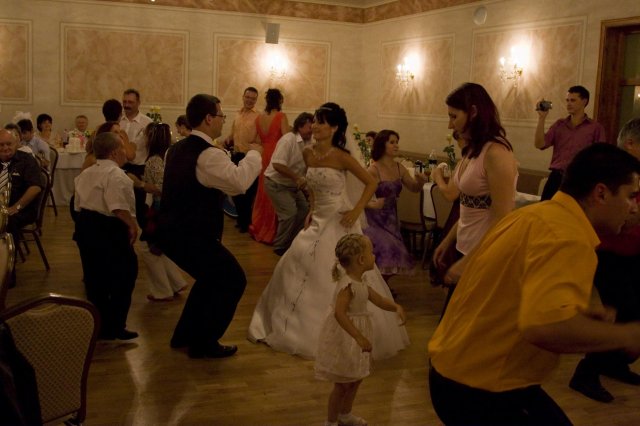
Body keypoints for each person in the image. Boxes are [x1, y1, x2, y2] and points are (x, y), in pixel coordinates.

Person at [428, 143, 640, 425]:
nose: (635, 207)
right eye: (631, 196)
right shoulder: (566, 236)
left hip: (455, 371)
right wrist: (628, 335)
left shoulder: (532, 215)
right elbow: (544, 328)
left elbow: (515, 293)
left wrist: (579, 314)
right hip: (480, 387)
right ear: (601, 193)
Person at [248, 102, 410, 360]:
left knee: (334, 271)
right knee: (297, 261)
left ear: (334, 128)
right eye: (314, 120)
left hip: (339, 220)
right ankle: (291, 325)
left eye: (321, 122)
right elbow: (312, 186)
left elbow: (370, 182)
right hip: (317, 219)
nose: (315, 126)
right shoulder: (308, 154)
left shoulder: (342, 157)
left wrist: (356, 210)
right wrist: (311, 209)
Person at [156, 93, 262, 359]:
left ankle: (184, 335)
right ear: (208, 118)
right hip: (190, 235)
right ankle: (204, 342)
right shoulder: (208, 155)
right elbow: (239, 183)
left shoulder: (176, 148)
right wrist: (254, 155)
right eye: (221, 115)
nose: (223, 120)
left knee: (210, 278)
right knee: (233, 279)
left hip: (171, 231)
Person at [569, 117, 640, 403]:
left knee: (632, 312)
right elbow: (623, 220)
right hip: (609, 253)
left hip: (634, 253)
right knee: (620, 314)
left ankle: (615, 365)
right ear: (631, 143)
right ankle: (586, 373)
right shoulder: (615, 173)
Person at [432, 82, 518, 300]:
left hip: (486, 254)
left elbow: (502, 218)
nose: (450, 125)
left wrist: (468, 263)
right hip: (466, 246)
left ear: (473, 112)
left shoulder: (496, 153)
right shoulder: (472, 150)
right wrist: (448, 241)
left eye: (454, 117)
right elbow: (469, 205)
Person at [315, 234, 406, 426]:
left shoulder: (361, 282)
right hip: (346, 338)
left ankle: (345, 414)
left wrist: (395, 307)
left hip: (356, 339)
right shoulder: (347, 286)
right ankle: (330, 421)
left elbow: (378, 299)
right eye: (371, 253)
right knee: (342, 384)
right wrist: (358, 336)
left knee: (356, 378)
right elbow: (339, 313)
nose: (375, 256)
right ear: (361, 260)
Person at [74, 131, 138, 340]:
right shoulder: (116, 175)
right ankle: (115, 325)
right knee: (125, 274)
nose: (125, 152)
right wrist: (132, 226)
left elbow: (77, 205)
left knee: (95, 278)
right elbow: (118, 207)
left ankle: (99, 325)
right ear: (114, 153)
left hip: (85, 225)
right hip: (108, 228)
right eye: (122, 147)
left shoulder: (86, 173)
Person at [128, 122, 188, 302]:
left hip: (160, 209)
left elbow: (163, 188)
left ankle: (162, 290)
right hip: (167, 208)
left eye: (146, 135)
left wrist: (140, 184)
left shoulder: (155, 160)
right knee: (159, 246)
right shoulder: (169, 156)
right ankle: (176, 282)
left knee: (149, 248)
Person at [363, 130, 428, 283]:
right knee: (386, 249)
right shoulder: (373, 170)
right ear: (382, 145)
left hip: (391, 218)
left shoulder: (400, 168)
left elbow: (414, 188)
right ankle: (377, 287)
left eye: (397, 142)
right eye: (392, 142)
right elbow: (359, 198)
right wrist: (373, 204)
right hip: (374, 219)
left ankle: (382, 287)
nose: (396, 145)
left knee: (396, 254)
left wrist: (420, 182)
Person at [535, 85, 607, 200]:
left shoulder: (595, 128)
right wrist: (541, 118)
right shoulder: (559, 125)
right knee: (545, 209)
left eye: (573, 100)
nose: (568, 104)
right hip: (556, 178)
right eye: (567, 100)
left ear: (584, 101)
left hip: (579, 179)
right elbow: (539, 144)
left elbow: (600, 159)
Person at [264, 111, 314, 256]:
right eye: (310, 127)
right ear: (300, 126)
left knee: (304, 211)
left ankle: (291, 243)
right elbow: (277, 164)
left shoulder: (309, 142)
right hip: (276, 183)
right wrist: (297, 178)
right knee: (289, 214)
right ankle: (280, 246)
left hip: (292, 185)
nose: (312, 130)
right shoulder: (288, 140)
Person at [0, 129, 44, 287]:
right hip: (2, 207)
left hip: (22, 208)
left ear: (16, 144)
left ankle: (7, 274)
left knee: (8, 222)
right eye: (1, 145)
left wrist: (15, 207)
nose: (5, 148)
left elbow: (35, 187)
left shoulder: (27, 160)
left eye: (9, 144)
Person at [249, 88, 290, 243]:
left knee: (263, 190)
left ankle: (260, 225)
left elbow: (254, 139)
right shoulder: (280, 116)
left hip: (264, 154)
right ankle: (272, 231)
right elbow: (286, 139)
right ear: (279, 101)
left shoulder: (259, 118)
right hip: (277, 154)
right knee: (275, 189)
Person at [225, 87, 260, 233]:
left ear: (256, 100)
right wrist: (227, 139)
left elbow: (260, 138)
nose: (250, 100)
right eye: (248, 97)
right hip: (236, 155)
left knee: (248, 192)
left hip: (249, 157)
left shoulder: (259, 116)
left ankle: (245, 222)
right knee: (236, 190)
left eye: (253, 98)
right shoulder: (237, 114)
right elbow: (233, 133)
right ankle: (241, 219)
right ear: (243, 97)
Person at [120, 88, 153, 228]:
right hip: (120, 167)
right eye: (124, 102)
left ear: (138, 103)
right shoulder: (118, 121)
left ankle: (148, 234)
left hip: (139, 168)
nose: (126, 105)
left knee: (140, 206)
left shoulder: (147, 123)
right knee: (121, 203)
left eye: (130, 102)